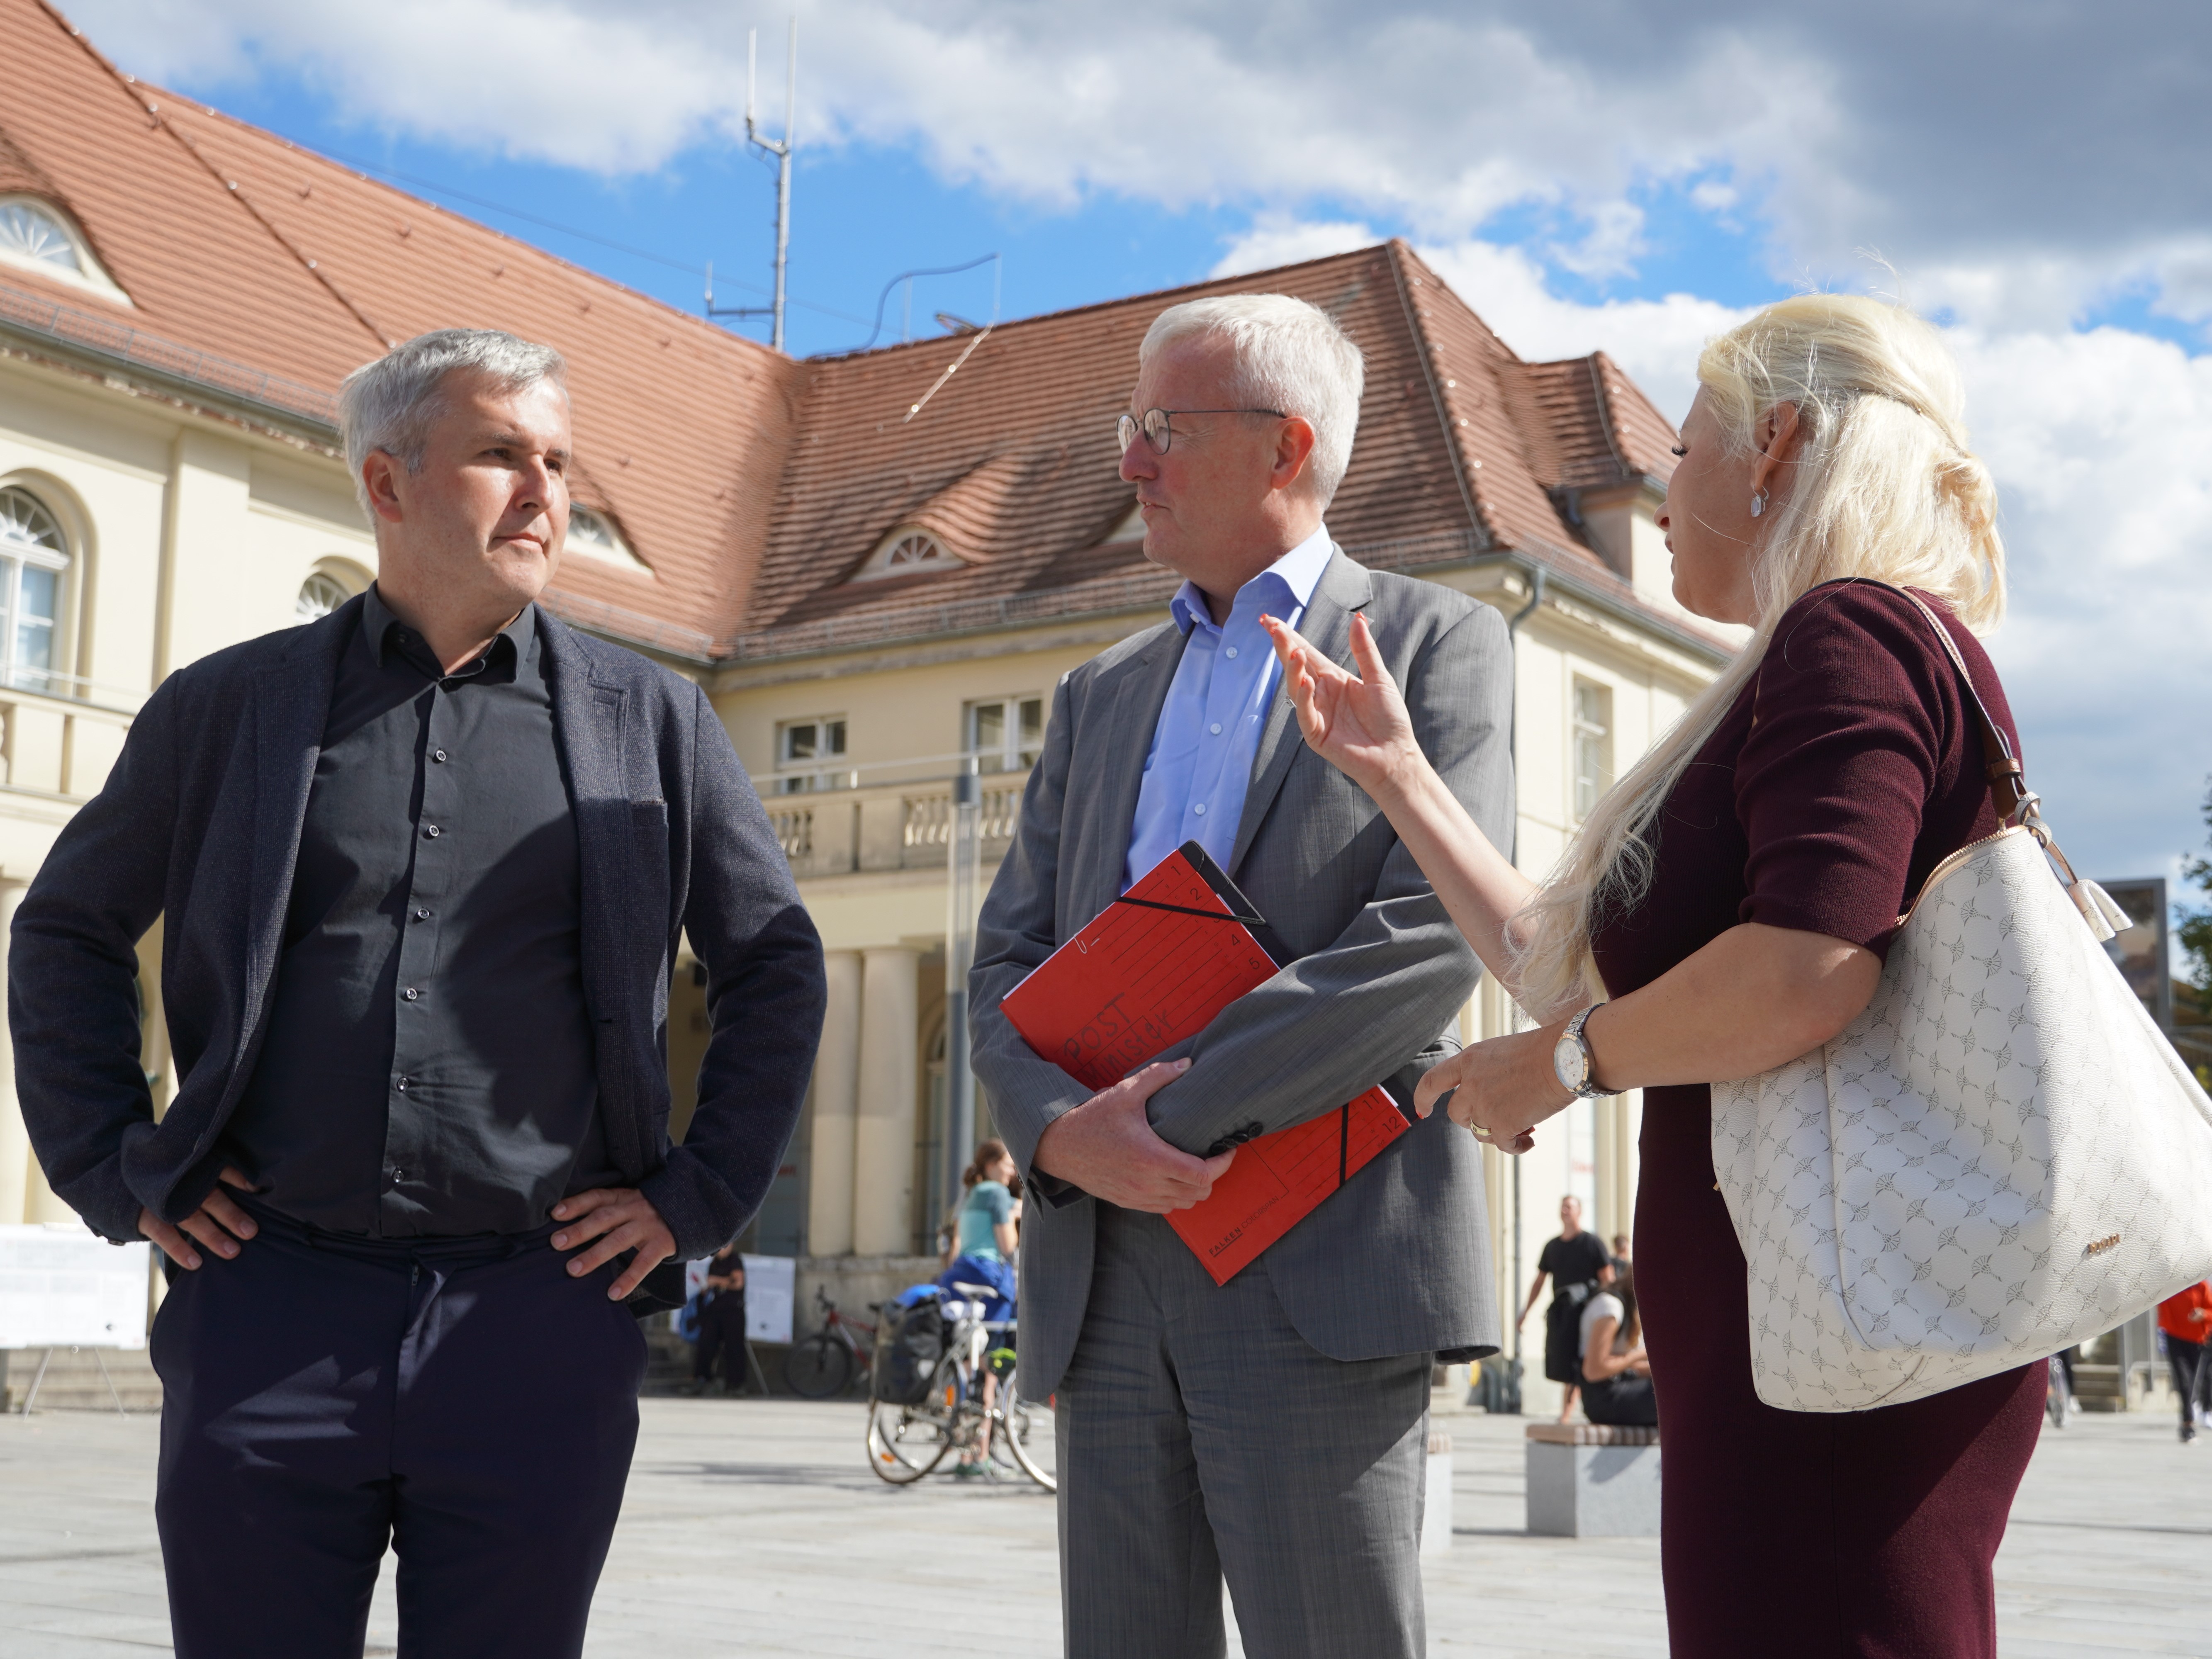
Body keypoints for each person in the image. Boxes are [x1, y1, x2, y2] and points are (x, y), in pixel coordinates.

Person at [8, 329, 827, 1659]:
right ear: (387, 485)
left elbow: (774, 958)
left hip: (536, 1319)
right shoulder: (228, 711)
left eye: (558, 460)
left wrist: (697, 1196)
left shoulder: (652, 719)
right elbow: (64, 930)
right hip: (267, 1306)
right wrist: (116, 1161)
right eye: (501, 452)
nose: (543, 491)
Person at [1266, 292, 2042, 1655]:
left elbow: (1807, 969)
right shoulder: (1852, 642)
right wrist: (1399, 777)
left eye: (1684, 452)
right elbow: (1566, 973)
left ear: (1776, 447)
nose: (1668, 490)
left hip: (1829, 1339)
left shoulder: (1844, 637)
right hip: (1814, 1323)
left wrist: (1559, 1067)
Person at [971, 292, 1511, 1658]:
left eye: (1163, 428)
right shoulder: (1100, 692)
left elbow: (1429, 939)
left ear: (1285, 448)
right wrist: (1056, 1134)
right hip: (1106, 1265)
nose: (1130, 461)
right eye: (1129, 426)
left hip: (1316, 1256)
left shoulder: (1436, 645)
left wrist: (1161, 1117)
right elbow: (1005, 965)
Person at [937, 1138, 1023, 1476]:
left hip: (960, 1276)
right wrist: (1019, 1218)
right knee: (991, 1370)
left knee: (967, 1365)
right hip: (991, 1279)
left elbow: (956, 1244)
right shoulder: (998, 1194)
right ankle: (981, 1454)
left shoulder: (970, 1194)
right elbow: (1007, 1245)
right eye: (1007, 1162)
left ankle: (963, 1453)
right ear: (991, 1165)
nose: (1013, 1168)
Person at [1516, 1194, 1613, 1422]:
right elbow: (1539, 1282)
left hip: (1589, 1313)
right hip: (1564, 1314)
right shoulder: (1552, 1246)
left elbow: (1607, 1278)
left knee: (1586, 1358)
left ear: (1580, 1212)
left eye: (1570, 1206)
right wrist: (1525, 1313)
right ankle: (1567, 1413)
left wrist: (1606, 1314)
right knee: (1567, 1362)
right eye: (1563, 1206)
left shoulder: (1592, 1243)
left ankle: (1574, 1412)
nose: (1565, 1210)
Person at [1577, 1263, 1657, 1428]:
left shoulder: (1624, 1306)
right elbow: (1594, 1370)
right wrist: (1642, 1354)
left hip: (1618, 1388)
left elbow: (1624, 1365)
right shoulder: (1610, 1308)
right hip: (1603, 1398)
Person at [688, 1243, 751, 1396]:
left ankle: (736, 1385)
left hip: (733, 1311)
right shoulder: (714, 1263)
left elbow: (738, 1283)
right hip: (715, 1311)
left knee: (734, 1348)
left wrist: (715, 1281)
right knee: (706, 1345)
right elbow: (709, 1287)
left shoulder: (735, 1260)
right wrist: (706, 1287)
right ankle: (702, 1380)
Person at [2158, 1280, 2212, 1443]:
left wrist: (2203, 1314)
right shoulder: (2169, 1284)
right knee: (2183, 1381)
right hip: (2174, 1337)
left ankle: (2200, 1412)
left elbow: (2210, 1309)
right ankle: (2188, 1424)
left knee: (2195, 1382)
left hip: (2197, 1340)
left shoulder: (2201, 1286)